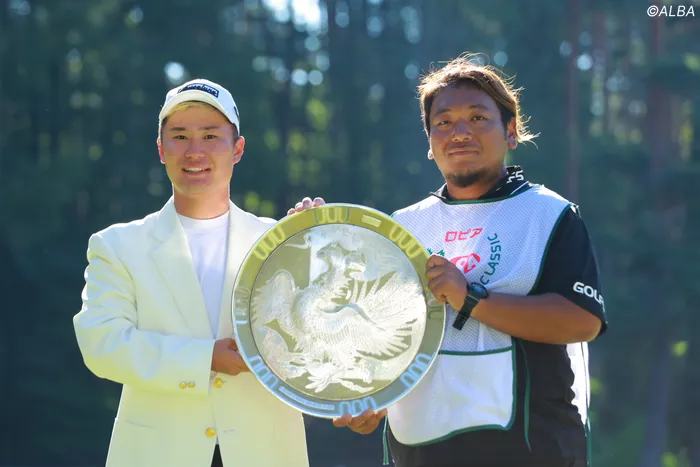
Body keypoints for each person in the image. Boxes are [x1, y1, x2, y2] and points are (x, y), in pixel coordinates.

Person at [330, 55, 608, 467]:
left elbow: (582, 321)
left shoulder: (549, 214)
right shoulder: (402, 226)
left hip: (530, 453)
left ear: (511, 131)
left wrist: (471, 299)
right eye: (443, 122)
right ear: (429, 141)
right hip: (417, 454)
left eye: (478, 118)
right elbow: (385, 340)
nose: (460, 133)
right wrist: (372, 399)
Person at [73, 78, 322, 467]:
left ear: (237, 149)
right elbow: (103, 345)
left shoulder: (280, 243)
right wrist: (205, 358)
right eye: (179, 136)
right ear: (161, 149)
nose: (195, 151)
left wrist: (318, 255)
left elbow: (315, 345)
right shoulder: (117, 245)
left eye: (210, 136)